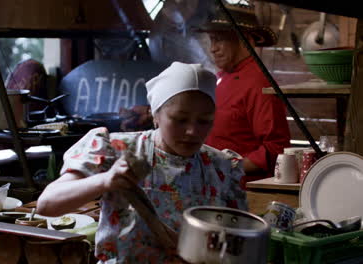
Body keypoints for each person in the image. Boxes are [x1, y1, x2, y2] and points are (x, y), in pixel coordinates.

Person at [37, 62, 247, 263]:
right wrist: (105, 181)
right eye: (180, 119)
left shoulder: (222, 167)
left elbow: (239, 243)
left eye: (204, 121)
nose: (192, 131)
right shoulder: (117, 149)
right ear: (156, 114)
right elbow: (47, 205)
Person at [199, 3, 291, 179]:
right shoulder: (222, 77)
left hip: (238, 189)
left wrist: (227, 168)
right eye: (211, 40)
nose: (213, 48)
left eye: (219, 39)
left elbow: (275, 148)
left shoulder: (259, 83)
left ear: (244, 39)